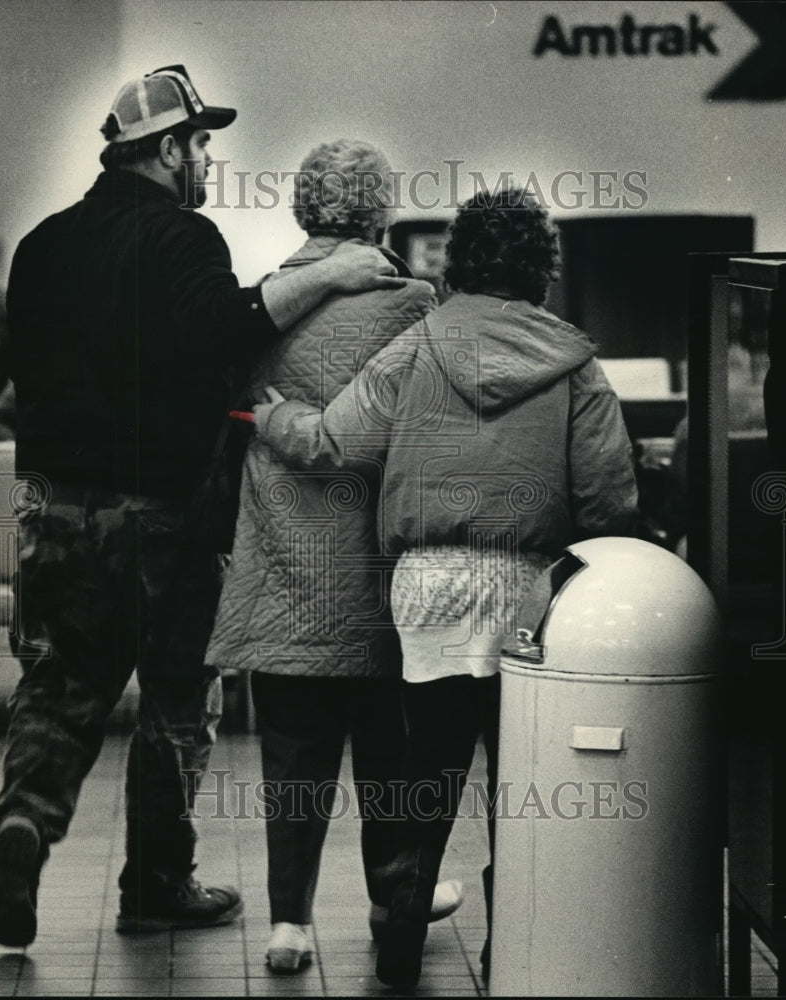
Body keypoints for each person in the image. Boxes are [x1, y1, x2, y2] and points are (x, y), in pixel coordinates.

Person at [0, 65, 402, 950]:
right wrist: (337, 275)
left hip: (51, 510)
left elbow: (17, 374)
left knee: (59, 689)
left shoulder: (42, 246)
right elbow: (226, 326)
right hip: (160, 516)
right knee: (177, 701)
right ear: (167, 150)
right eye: (201, 142)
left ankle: (22, 829)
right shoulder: (182, 237)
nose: (208, 159)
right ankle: (158, 883)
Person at [251, 185, 639, 987]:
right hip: (531, 591)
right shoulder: (574, 361)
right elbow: (609, 499)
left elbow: (334, 442)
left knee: (427, 770)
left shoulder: (417, 346)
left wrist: (274, 416)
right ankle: (510, 949)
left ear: (457, 261)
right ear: (542, 268)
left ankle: (399, 935)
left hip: (426, 587)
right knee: (516, 780)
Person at [205, 139, 463, 973]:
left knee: (291, 754)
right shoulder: (417, 305)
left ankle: (289, 922)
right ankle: (394, 898)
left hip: (282, 565)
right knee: (388, 746)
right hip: (380, 569)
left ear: (300, 212)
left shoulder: (265, 309)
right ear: (381, 212)